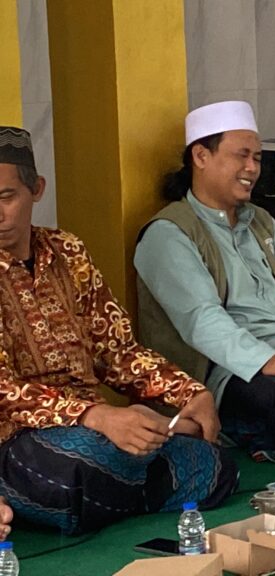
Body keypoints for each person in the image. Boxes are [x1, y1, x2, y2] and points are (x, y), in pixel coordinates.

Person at [0, 126, 237, 535]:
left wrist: (188, 392)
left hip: (99, 432)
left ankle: (120, 484)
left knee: (214, 467)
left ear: (36, 189)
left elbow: (116, 350)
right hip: (20, 440)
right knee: (79, 470)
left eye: (6, 197)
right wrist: (95, 416)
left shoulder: (67, 251)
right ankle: (131, 480)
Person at [134, 101, 275, 463]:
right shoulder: (169, 234)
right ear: (201, 156)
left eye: (257, 158)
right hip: (235, 371)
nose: (252, 168)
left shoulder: (261, 222)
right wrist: (265, 359)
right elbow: (201, 320)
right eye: (242, 156)